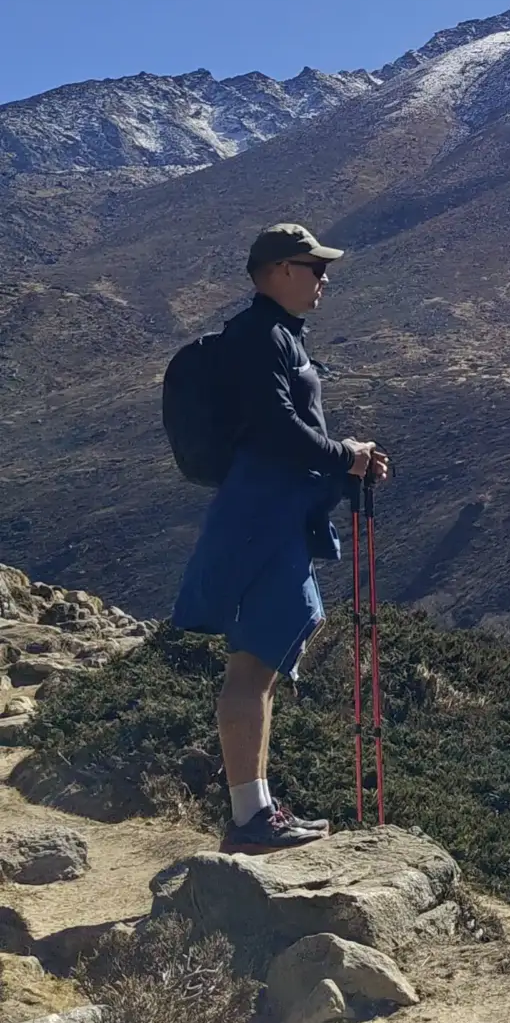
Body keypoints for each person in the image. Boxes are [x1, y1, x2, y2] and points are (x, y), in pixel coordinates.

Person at [171, 224, 388, 855]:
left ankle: (255, 810)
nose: (324, 279)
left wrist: (343, 458)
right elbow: (277, 431)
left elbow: (281, 431)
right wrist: (345, 454)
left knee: (258, 662)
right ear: (277, 271)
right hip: (262, 517)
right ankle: (250, 820)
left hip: (263, 513)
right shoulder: (261, 338)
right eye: (313, 267)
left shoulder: (272, 336)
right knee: (255, 664)